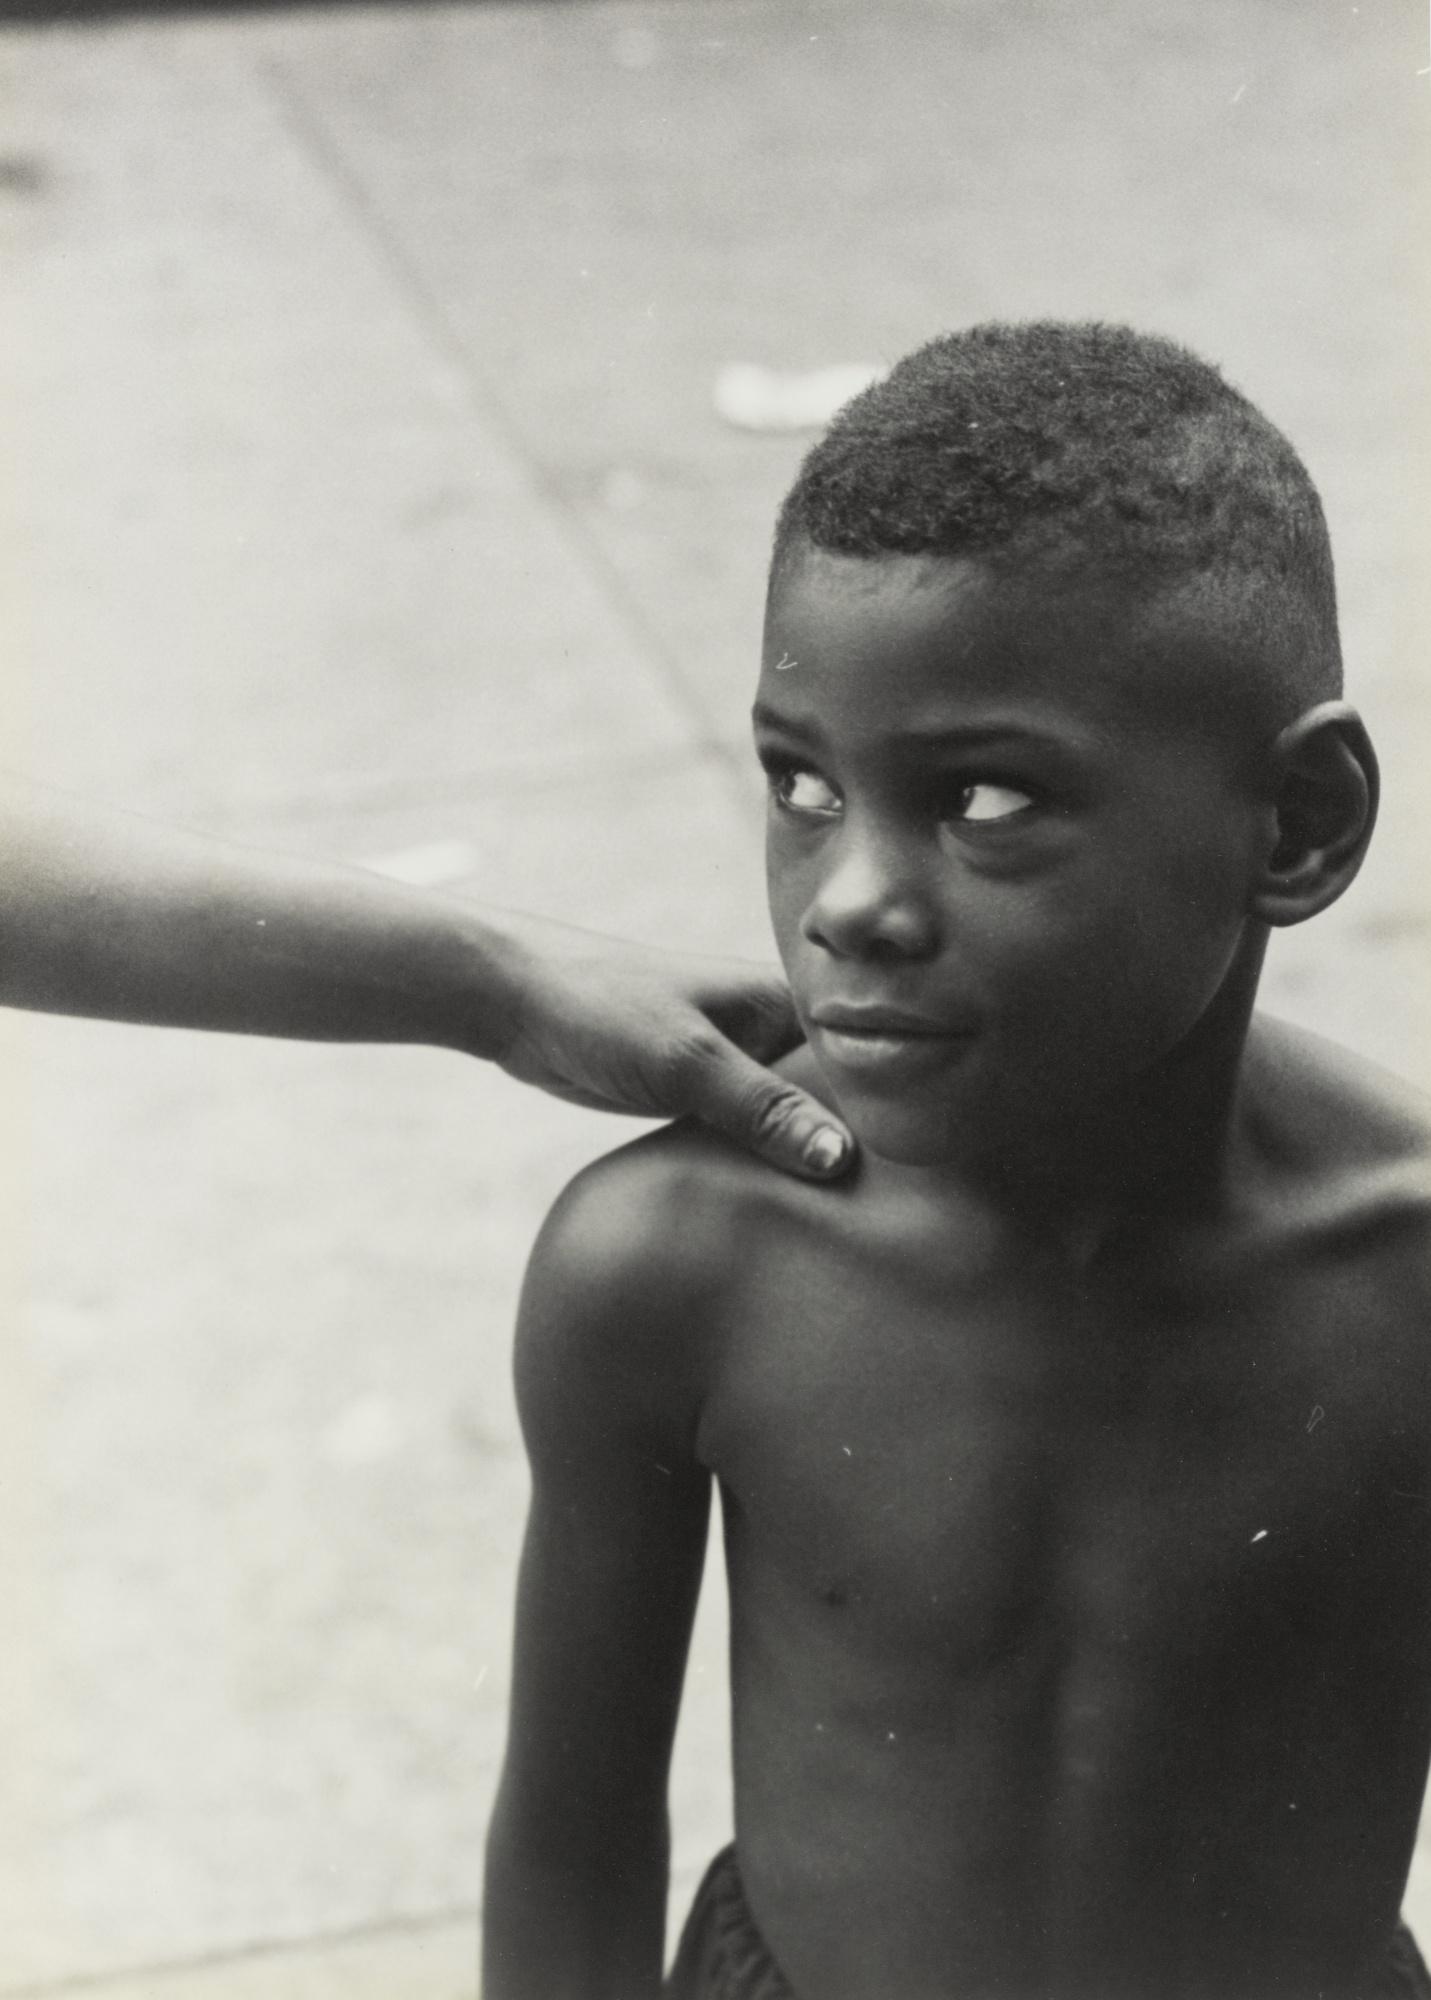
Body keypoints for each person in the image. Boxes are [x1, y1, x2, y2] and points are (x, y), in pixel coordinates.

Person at [481, 322, 1431, 2000]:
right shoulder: (675, 1263)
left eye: (986, 804)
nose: (848, 898)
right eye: (799, 782)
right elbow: (571, 1835)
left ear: (1295, 827)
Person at [0, 776, 853, 1180]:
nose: (851, 907)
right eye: (805, 788)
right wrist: (506, 991)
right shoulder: (643, 1254)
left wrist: (512, 990)